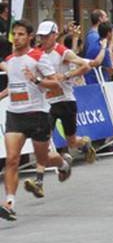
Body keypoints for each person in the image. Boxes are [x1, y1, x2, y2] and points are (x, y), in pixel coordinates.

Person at [0, 20, 73, 221]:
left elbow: (55, 85)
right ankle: (10, 203)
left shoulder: (38, 57)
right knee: (12, 159)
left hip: (38, 114)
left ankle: (63, 163)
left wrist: (36, 80)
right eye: (15, 34)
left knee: (44, 159)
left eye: (22, 34)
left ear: (30, 37)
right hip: (15, 115)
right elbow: (14, 86)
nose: (17, 38)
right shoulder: (10, 60)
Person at [22, 21, 95, 200]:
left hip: (66, 101)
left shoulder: (63, 52)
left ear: (54, 35)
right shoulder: (36, 53)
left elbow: (86, 66)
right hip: (48, 104)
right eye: (41, 36)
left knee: (71, 142)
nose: (43, 39)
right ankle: (39, 182)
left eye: (47, 36)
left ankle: (83, 144)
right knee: (43, 145)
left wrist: (66, 75)